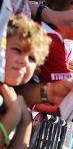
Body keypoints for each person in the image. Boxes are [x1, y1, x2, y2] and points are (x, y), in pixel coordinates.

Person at [0, 14, 51, 148]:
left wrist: (25, 122)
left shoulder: (15, 100)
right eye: (17, 50)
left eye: (32, 59)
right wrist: (13, 116)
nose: (24, 61)